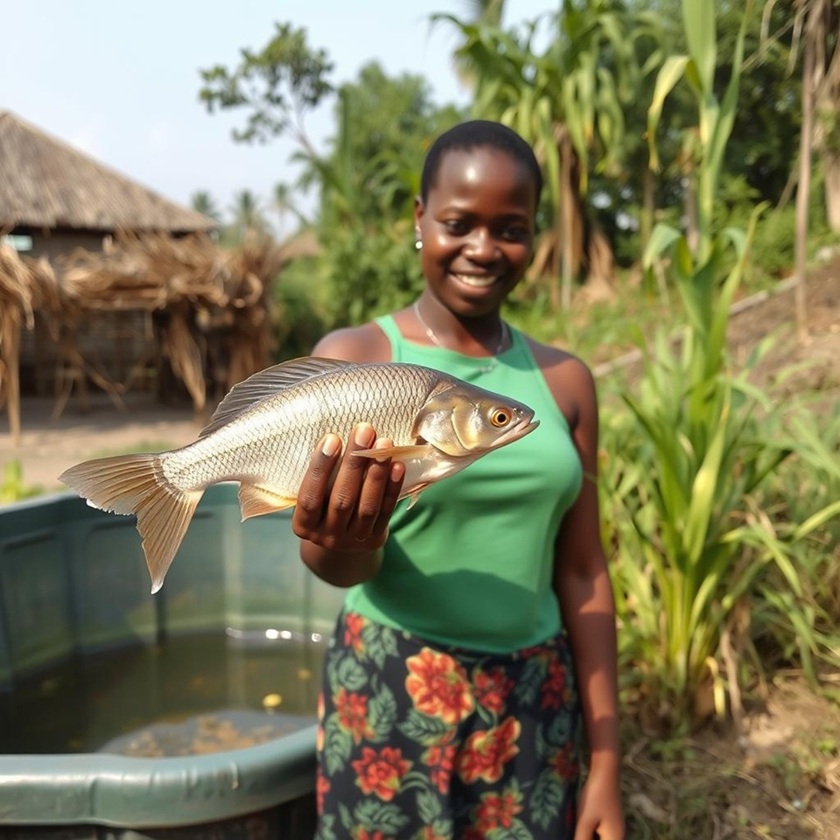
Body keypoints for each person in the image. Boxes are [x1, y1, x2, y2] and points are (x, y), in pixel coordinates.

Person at [293, 119, 624, 840]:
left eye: (510, 227)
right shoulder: (355, 360)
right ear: (420, 220)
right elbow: (335, 561)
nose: (482, 248)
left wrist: (606, 762)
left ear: (534, 235)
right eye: (458, 223)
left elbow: (583, 573)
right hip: (389, 690)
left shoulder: (565, 382)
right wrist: (335, 539)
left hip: (534, 701)